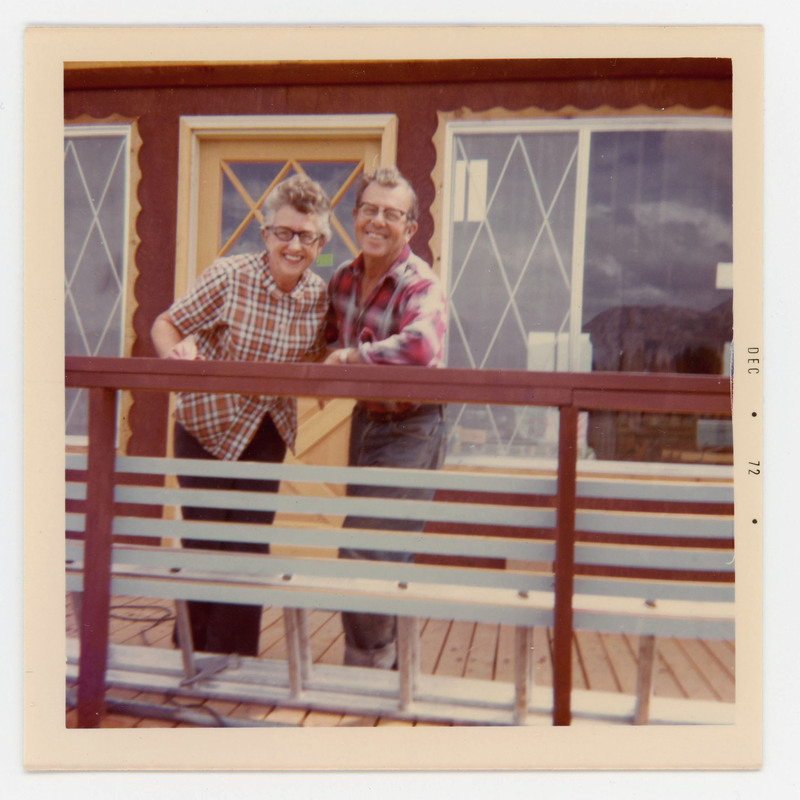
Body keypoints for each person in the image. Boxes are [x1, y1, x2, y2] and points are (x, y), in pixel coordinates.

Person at [150, 174, 331, 656]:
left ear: (321, 243)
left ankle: (235, 660)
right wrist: (176, 355)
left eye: (307, 236)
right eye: (285, 233)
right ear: (265, 233)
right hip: (205, 427)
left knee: (248, 546)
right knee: (205, 543)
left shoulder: (319, 298)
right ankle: (190, 655)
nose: (295, 245)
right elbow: (166, 323)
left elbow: (320, 355)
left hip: (266, 431)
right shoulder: (229, 276)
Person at [324, 167, 447, 669]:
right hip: (367, 420)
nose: (378, 221)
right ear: (354, 217)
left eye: (391, 214)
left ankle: (368, 663)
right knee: (380, 545)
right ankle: (390, 663)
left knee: (365, 548)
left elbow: (422, 347)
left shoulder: (421, 283)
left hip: (415, 425)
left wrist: (353, 358)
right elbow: (329, 339)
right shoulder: (342, 278)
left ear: (410, 228)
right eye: (369, 209)